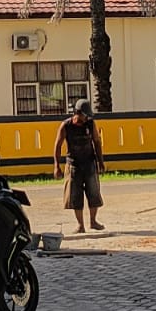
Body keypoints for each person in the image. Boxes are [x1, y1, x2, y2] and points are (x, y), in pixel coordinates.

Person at [52, 99, 105, 232]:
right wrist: (56, 166)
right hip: (73, 164)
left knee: (93, 193)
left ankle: (93, 221)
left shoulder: (90, 124)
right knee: (75, 195)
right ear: (77, 113)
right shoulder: (66, 125)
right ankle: (80, 225)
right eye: (84, 115)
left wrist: (100, 161)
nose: (85, 118)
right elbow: (58, 145)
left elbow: (97, 142)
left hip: (89, 163)